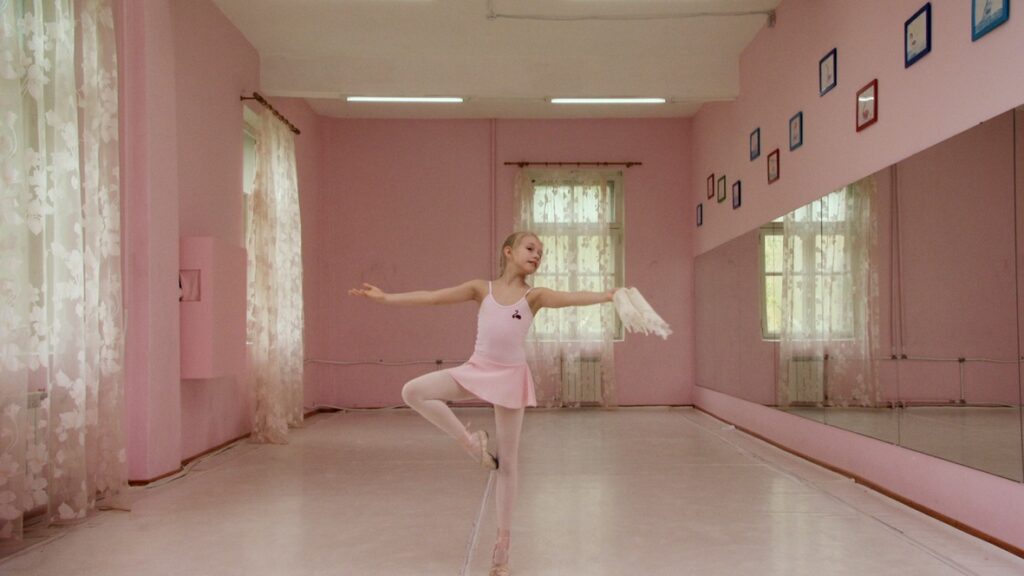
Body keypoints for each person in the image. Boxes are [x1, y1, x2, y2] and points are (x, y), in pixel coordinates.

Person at [349, 231, 615, 576]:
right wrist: (386, 299)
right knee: (413, 391)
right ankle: (472, 444)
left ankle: (502, 546)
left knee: (509, 464)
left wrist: (608, 295)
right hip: (477, 368)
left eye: (541, 252)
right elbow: (432, 297)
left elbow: (572, 297)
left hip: (510, 377)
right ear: (509, 251)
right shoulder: (480, 289)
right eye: (530, 248)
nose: (537, 255)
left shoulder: (535, 296)